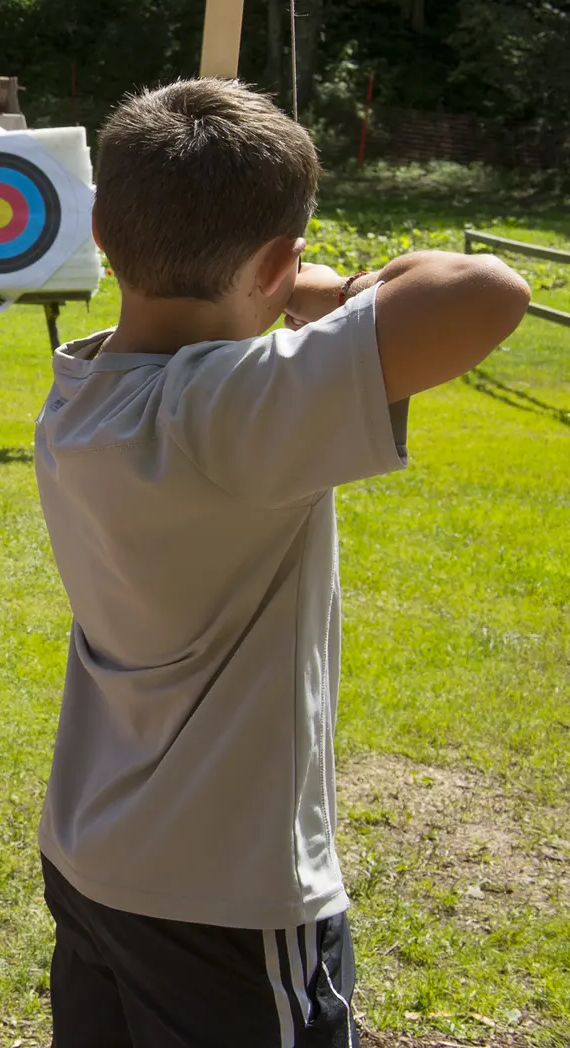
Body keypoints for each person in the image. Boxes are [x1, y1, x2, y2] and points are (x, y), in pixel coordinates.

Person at [34, 79, 530, 1045]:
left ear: (99, 232)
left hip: (93, 855)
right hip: (225, 894)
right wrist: (328, 290)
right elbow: (488, 291)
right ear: (276, 262)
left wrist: (275, 280)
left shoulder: (81, 387)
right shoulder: (226, 414)